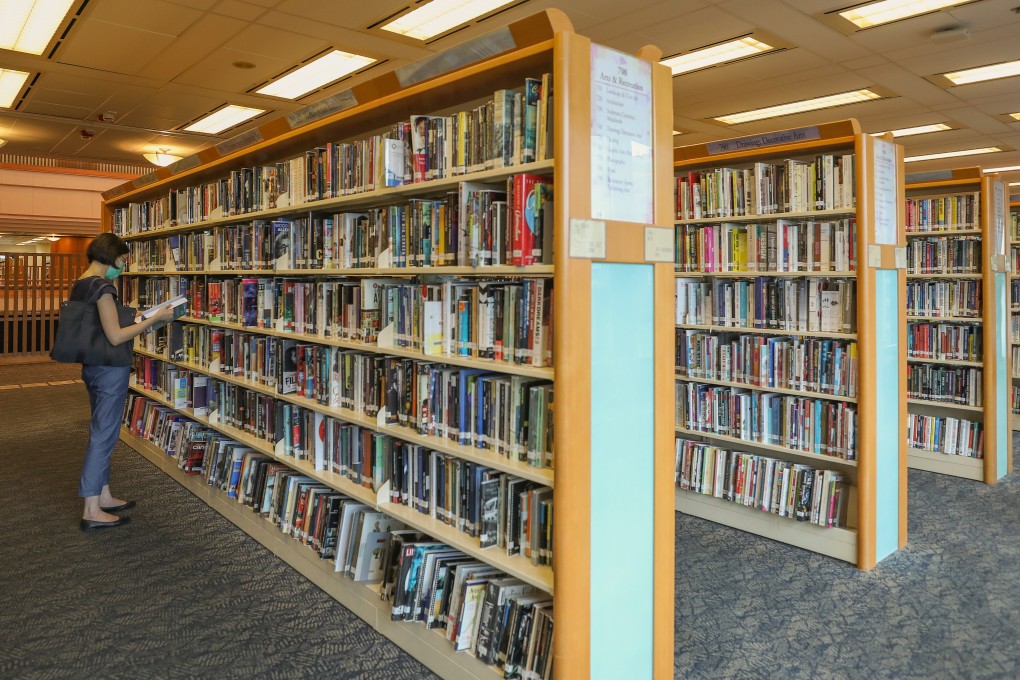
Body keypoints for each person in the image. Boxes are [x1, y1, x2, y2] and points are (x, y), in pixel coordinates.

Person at [73, 233, 174, 531]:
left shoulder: (81, 283)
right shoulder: (103, 287)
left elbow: (102, 324)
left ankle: (102, 494)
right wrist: (152, 322)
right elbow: (116, 335)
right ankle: (91, 508)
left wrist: (141, 315)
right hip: (109, 368)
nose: (123, 265)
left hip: (92, 365)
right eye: (122, 260)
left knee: (102, 430)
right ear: (110, 256)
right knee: (103, 435)